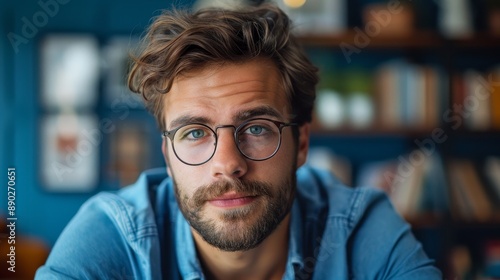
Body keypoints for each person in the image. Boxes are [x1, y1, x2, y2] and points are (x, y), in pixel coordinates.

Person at [36, 4, 442, 279]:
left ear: (301, 142)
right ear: (167, 155)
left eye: (257, 128)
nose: (228, 164)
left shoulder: (359, 231)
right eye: (194, 133)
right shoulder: (115, 236)